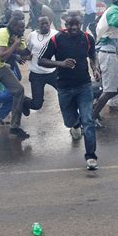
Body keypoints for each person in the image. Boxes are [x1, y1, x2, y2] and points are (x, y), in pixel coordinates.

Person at [38, 13, 101, 170]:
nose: (73, 27)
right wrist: (61, 63)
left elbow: (92, 54)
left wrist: (95, 67)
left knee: (88, 120)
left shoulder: (88, 38)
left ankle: (91, 156)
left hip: (84, 86)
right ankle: (75, 124)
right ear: (65, 24)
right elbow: (41, 60)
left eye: (76, 24)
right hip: (64, 87)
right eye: (70, 24)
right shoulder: (56, 39)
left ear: (81, 23)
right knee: (69, 121)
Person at [23, 16, 58, 112]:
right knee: (36, 105)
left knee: (66, 93)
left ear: (50, 23)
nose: (45, 26)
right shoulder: (32, 35)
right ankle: (24, 102)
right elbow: (28, 51)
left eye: (46, 23)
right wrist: (21, 55)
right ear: (38, 24)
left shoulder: (56, 34)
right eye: (42, 24)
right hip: (36, 74)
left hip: (53, 72)